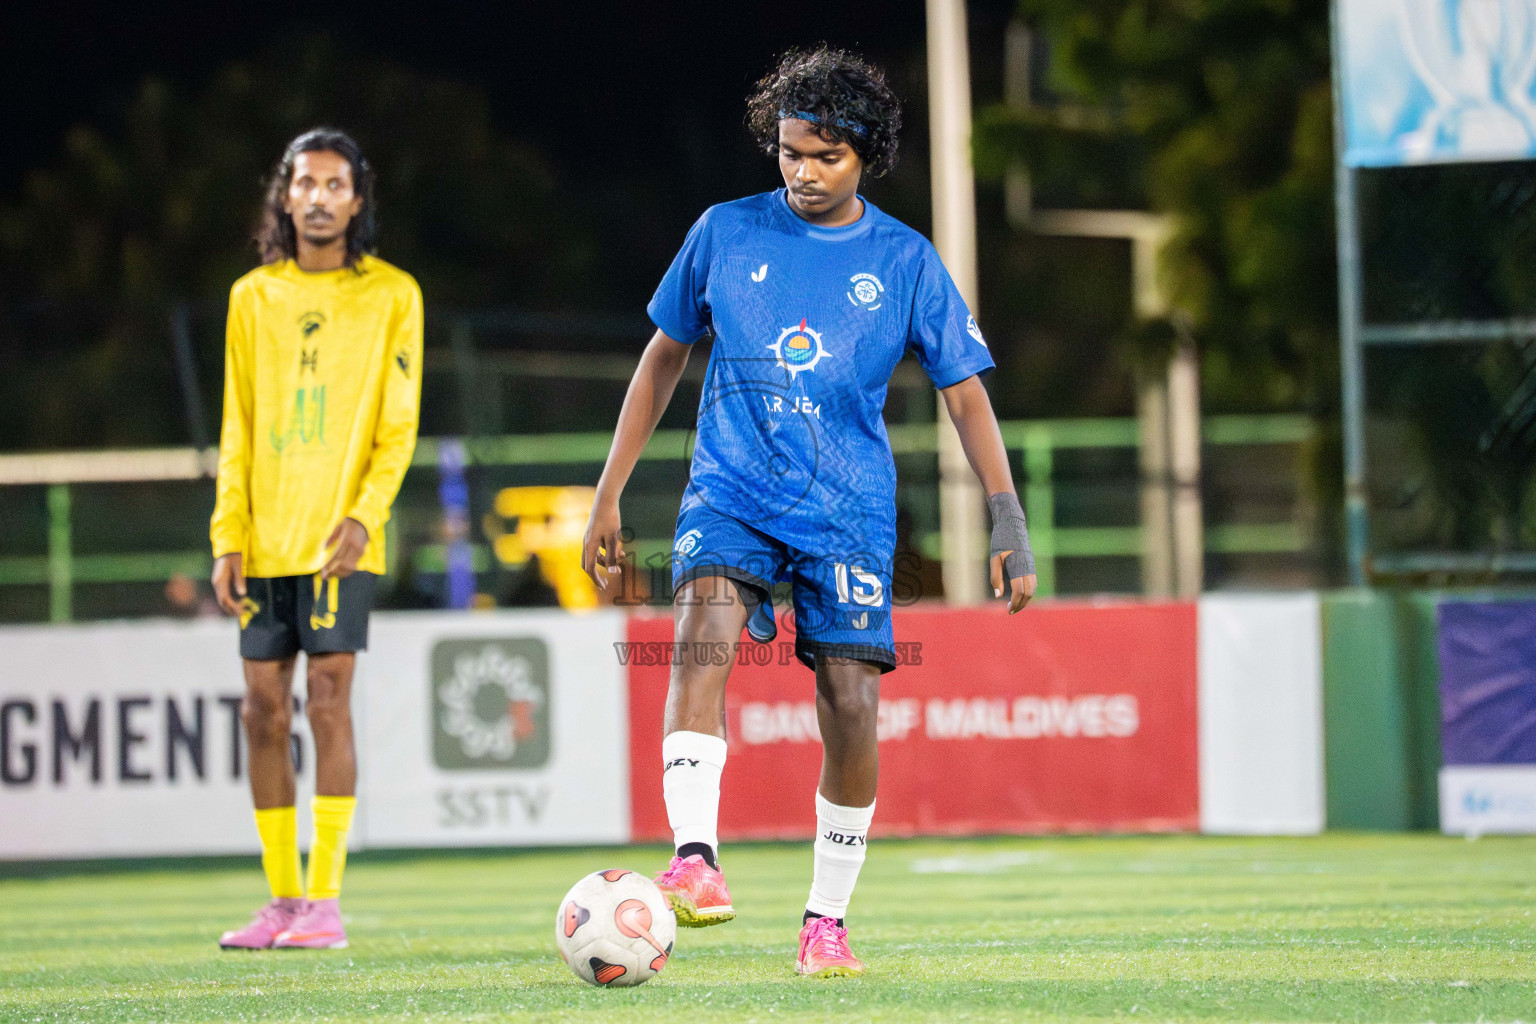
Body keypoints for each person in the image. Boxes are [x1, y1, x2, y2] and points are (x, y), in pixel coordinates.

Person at [582, 47, 1036, 978]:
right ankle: (696, 860)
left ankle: (825, 920)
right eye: (789, 152)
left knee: (851, 703)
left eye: (825, 156)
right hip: (732, 489)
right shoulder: (724, 232)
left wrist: (1008, 517)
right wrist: (608, 491)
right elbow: (661, 357)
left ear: (865, 154)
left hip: (847, 510)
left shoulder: (906, 259)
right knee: (702, 632)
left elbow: (966, 395)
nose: (802, 172)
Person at [209, 127, 423, 950]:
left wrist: (366, 516)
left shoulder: (393, 294)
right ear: (286, 195)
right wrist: (228, 533)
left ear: (358, 200)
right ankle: (283, 901)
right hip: (263, 537)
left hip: (342, 537)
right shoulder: (250, 297)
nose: (322, 197)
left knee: (327, 701)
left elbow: (398, 426)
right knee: (261, 711)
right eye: (308, 183)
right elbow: (239, 424)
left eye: (338, 184)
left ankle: (326, 903)